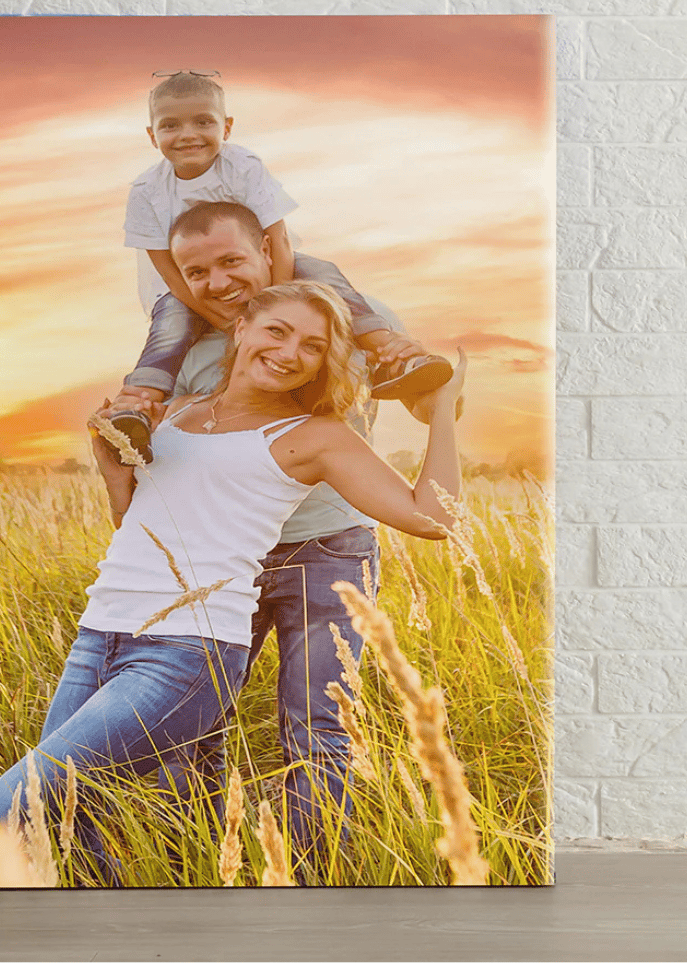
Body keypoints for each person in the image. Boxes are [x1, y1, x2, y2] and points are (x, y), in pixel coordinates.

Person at [0, 278, 466, 885]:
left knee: (5, 805)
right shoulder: (173, 413)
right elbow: (138, 527)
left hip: (187, 655)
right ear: (241, 329)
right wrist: (110, 466)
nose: (289, 353)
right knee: (70, 817)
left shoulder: (314, 437)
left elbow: (433, 518)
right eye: (277, 331)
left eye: (312, 347)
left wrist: (442, 407)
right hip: (98, 637)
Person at [141, 200, 452, 873]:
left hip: (331, 549)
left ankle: (310, 877)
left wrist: (444, 404)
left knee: (318, 726)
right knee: (191, 726)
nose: (220, 282)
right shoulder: (187, 352)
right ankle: (195, 863)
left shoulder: (347, 319)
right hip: (226, 559)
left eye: (233, 261)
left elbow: (419, 396)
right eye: (199, 271)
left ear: (268, 252)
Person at [113, 70, 452, 460]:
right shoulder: (146, 193)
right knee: (170, 326)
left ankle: (389, 354)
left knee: (320, 272)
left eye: (203, 122)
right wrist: (225, 322)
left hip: (282, 274)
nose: (188, 134)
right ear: (152, 136)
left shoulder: (241, 166)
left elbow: (281, 239)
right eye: (171, 125)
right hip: (179, 293)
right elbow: (168, 271)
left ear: (227, 127)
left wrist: (276, 306)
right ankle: (137, 403)